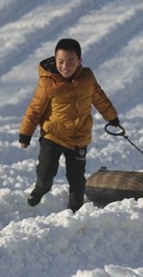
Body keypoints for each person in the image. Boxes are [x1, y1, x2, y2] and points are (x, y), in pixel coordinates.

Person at [19, 38, 119, 212]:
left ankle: (74, 212)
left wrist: (112, 118)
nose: (65, 67)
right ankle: (41, 189)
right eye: (61, 62)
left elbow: (99, 98)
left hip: (79, 137)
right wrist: (25, 134)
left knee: (77, 179)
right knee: (46, 173)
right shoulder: (48, 82)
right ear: (55, 60)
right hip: (53, 136)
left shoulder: (87, 77)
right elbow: (35, 109)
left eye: (70, 62)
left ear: (79, 61)